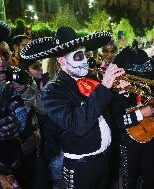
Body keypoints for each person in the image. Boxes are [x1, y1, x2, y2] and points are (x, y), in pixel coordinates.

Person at [20, 26, 128, 189]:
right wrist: (105, 87)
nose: (85, 60)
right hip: (82, 169)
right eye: (78, 56)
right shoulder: (53, 90)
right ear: (62, 61)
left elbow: (110, 114)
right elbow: (77, 125)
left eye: (85, 54)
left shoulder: (92, 79)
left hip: (106, 161)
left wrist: (122, 93)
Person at [111, 46, 154, 189]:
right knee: (128, 181)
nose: (145, 79)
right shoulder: (113, 92)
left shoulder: (144, 86)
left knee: (151, 177)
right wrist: (140, 113)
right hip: (127, 143)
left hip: (148, 139)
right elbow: (116, 123)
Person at [0, 15, 22, 189]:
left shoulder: (20, 76)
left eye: (4, 55)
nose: (1, 60)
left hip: (25, 153)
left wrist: (27, 92)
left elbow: (41, 111)